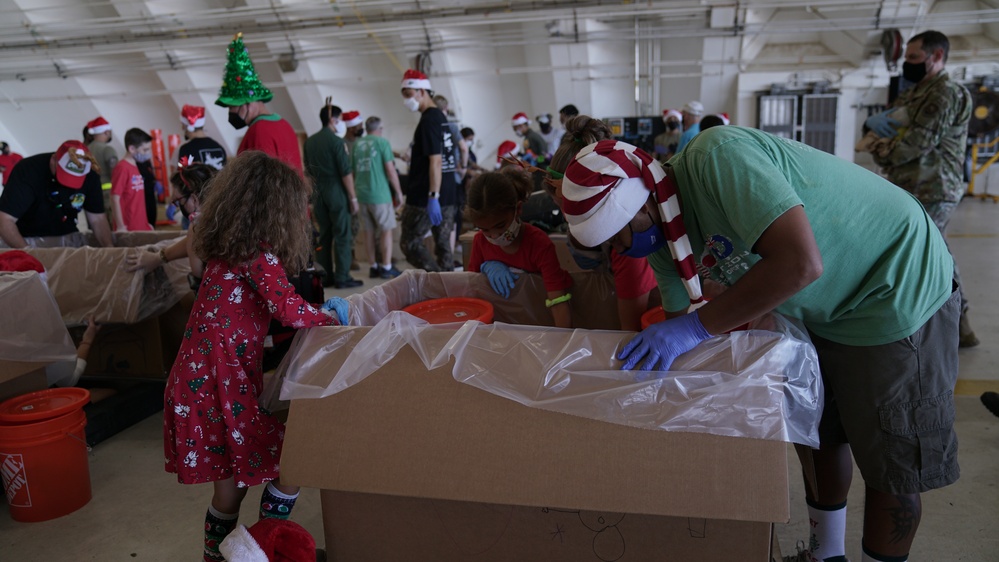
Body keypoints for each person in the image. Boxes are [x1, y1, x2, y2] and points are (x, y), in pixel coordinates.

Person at [560, 127, 959, 562]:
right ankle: (826, 554)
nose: (623, 247)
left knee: (891, 463)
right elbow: (677, 322)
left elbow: (800, 263)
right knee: (818, 433)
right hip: (822, 307)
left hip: (891, 287)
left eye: (621, 233)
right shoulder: (664, 235)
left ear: (644, 198)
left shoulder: (717, 158)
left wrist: (694, 331)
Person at [162, 151, 348, 562]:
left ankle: (225, 555)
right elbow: (288, 309)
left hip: (201, 385)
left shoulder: (226, 250)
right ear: (278, 210)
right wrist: (334, 316)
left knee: (230, 490)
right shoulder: (259, 256)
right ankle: (267, 543)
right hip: (219, 386)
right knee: (293, 465)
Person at [869, 29, 977, 347]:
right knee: (924, 250)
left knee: (935, 252)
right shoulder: (915, 91)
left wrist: (881, 147)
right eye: (907, 58)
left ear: (937, 56)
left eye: (914, 58)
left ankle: (958, 321)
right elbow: (892, 129)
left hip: (935, 186)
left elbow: (914, 143)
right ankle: (946, 320)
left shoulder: (945, 93)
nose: (908, 64)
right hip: (910, 184)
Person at [546, 115, 659, 331]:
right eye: (561, 207)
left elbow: (630, 331)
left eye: (573, 209)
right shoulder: (616, 236)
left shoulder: (630, 248)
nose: (569, 217)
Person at [466, 167, 573, 329]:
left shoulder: (539, 244)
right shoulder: (480, 242)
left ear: (518, 209)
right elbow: (472, 294)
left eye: (500, 225)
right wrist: (484, 268)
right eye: (485, 229)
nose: (494, 236)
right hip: (498, 329)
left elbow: (557, 302)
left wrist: (563, 343)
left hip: (538, 326)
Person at [215, 33, 302, 174]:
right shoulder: (285, 125)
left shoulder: (259, 130)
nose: (230, 112)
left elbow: (260, 180)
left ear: (249, 103)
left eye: (233, 106)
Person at [0, 140, 113, 248]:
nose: (68, 186)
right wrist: (29, 253)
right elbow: (4, 219)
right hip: (26, 237)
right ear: (53, 160)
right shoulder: (28, 171)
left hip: (67, 236)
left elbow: (97, 219)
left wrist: (109, 248)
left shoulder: (90, 174)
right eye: (65, 177)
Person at [399, 68, 458, 272]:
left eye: (408, 95)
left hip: (427, 196)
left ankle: (436, 281)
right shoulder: (441, 118)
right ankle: (449, 289)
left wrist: (433, 196)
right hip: (448, 193)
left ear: (421, 92)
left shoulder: (428, 121)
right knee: (443, 248)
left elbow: (436, 161)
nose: (406, 100)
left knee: (409, 243)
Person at [126, 164, 217, 285]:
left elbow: (198, 273)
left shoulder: (198, 226)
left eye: (178, 201)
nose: (176, 205)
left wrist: (158, 257)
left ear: (194, 199)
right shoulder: (226, 213)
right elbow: (191, 242)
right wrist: (158, 257)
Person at [303, 99, 361, 289]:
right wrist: (352, 198)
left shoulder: (310, 142)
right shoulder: (337, 142)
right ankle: (343, 276)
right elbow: (345, 173)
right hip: (336, 190)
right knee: (342, 234)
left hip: (318, 192)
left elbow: (307, 172)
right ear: (333, 120)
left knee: (324, 235)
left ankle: (326, 276)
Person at [352, 116, 404, 279]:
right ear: (379, 129)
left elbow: (353, 171)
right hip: (379, 194)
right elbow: (390, 170)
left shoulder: (356, 144)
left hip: (361, 193)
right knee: (386, 230)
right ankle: (387, 267)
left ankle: (373, 266)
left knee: (368, 231)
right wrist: (399, 192)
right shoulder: (382, 143)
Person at [111, 128, 154, 232]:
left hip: (140, 226)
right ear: (132, 149)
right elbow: (114, 198)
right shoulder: (122, 168)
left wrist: (145, 223)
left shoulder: (135, 165)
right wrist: (121, 226)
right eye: (145, 150)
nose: (148, 153)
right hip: (129, 228)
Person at [86, 116, 118, 220]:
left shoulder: (86, 150)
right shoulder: (107, 149)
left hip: (91, 196)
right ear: (106, 132)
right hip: (107, 196)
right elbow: (116, 174)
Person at [178, 104, 227, 170]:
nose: (182, 128)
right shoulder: (219, 147)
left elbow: (182, 174)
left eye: (183, 125)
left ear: (188, 126)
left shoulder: (186, 149)